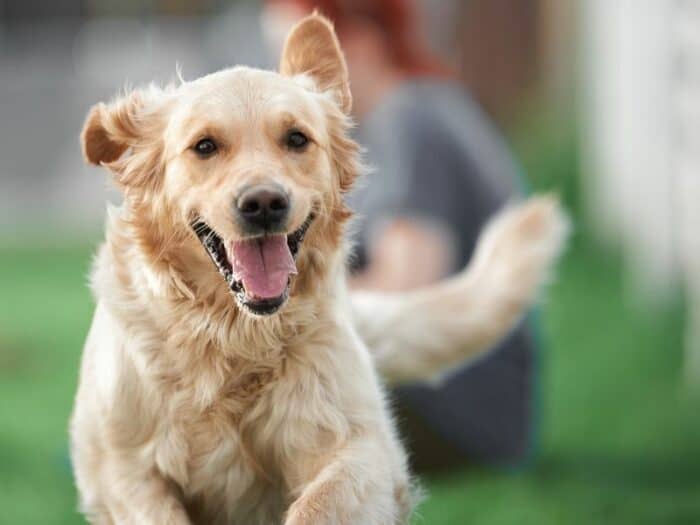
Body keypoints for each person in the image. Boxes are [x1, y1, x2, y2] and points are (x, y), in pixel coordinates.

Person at [262, 0, 538, 470]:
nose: (283, 82)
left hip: (456, 409)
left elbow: (406, 288)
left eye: (298, 59)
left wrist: (276, 310)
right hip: (456, 395)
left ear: (359, 43)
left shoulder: (411, 120)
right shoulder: (405, 113)